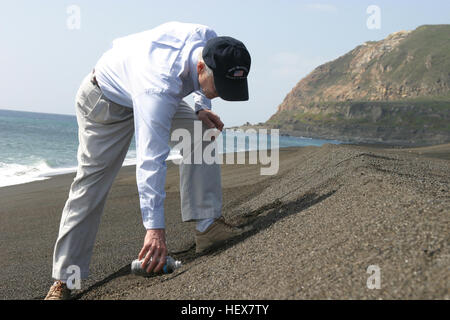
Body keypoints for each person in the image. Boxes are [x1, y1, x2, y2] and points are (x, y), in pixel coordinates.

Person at [44, 21, 251, 300]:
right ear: (201, 68)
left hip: (145, 88)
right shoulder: (159, 87)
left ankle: (207, 227)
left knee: (201, 132)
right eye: (220, 86)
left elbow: (204, 87)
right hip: (106, 101)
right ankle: (65, 279)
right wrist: (155, 231)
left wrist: (202, 106)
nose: (222, 92)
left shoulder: (212, 43)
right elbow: (151, 161)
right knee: (90, 186)